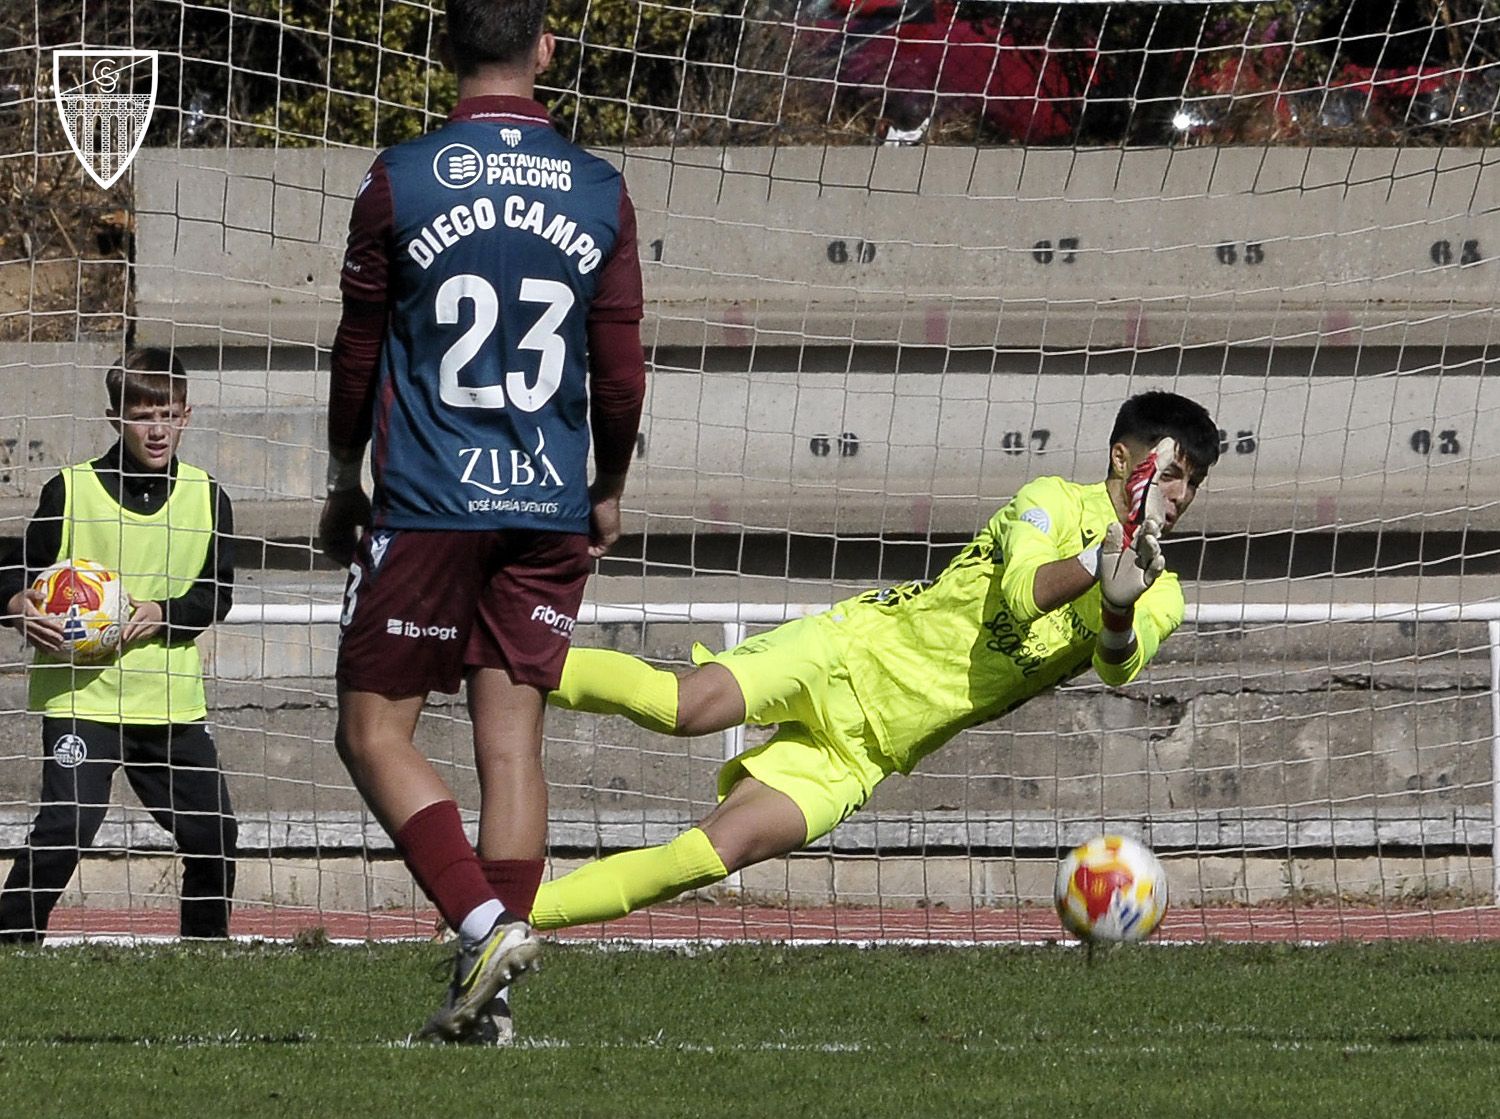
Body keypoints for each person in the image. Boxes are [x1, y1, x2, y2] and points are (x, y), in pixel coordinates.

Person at [534, 391, 1219, 931]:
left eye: (1193, 483)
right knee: (682, 707)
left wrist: (1123, 602)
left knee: (710, 854)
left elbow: (1115, 667)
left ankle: (507, 916)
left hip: (871, 747)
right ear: (1124, 456)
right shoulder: (1048, 500)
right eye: (1172, 473)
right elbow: (1021, 595)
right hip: (846, 652)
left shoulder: (1165, 590)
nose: (1180, 495)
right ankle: (510, 658)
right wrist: (1094, 564)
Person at [318, 0, 645, 1044]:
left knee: (372, 731)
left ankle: (480, 921)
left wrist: (341, 476)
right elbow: (621, 366)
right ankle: (487, 1006)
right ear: (547, 48)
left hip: (431, 498)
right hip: (548, 500)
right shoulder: (599, 187)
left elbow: (359, 351)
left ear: (443, 50)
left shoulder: (403, 177)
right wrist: (608, 480)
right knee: (512, 746)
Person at [0, 347, 238, 943]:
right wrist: (18, 607)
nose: (156, 428)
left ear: (187, 416)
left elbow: (216, 596)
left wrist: (164, 614)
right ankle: (11, 937)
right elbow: (13, 571)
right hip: (83, 695)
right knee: (68, 824)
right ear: (115, 417)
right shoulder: (70, 490)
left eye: (169, 414)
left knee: (213, 831)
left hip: (168, 700)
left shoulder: (208, 498)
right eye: (142, 414)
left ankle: (206, 948)